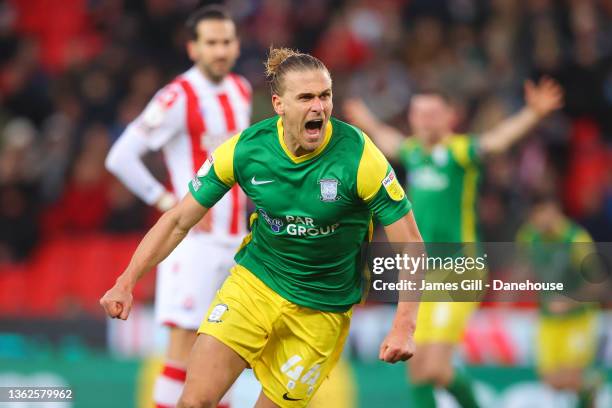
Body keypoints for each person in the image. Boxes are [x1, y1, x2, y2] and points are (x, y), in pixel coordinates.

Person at [101, 47, 422, 408]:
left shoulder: (360, 157)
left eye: (325, 96)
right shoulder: (246, 150)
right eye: (306, 97)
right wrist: (126, 282)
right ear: (279, 104)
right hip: (255, 285)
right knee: (192, 402)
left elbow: (411, 244)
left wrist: (404, 326)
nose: (319, 107)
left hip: (322, 310)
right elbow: (178, 220)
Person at [344, 78, 564, 407]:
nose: (423, 119)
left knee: (433, 367)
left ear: (451, 117)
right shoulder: (414, 152)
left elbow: (496, 141)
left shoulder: (460, 151)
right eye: (418, 112)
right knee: (417, 369)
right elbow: (389, 140)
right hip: (424, 274)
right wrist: (364, 119)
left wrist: (531, 114)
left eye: (432, 113)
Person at [104, 6, 251, 408]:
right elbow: (120, 157)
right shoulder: (176, 97)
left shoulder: (241, 89)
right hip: (193, 243)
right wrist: (168, 200)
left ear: (236, 45)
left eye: (226, 42)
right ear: (193, 48)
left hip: (237, 239)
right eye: (211, 43)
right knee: (183, 349)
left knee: (225, 350)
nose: (220, 51)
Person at [516, 194, 601, 408]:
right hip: (548, 320)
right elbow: (525, 267)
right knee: (550, 381)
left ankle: (588, 389)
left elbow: (598, 285)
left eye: (540, 214)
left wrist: (569, 301)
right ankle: (589, 387)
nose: (537, 221)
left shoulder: (576, 239)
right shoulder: (529, 237)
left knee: (570, 377)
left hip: (577, 320)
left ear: (554, 211)